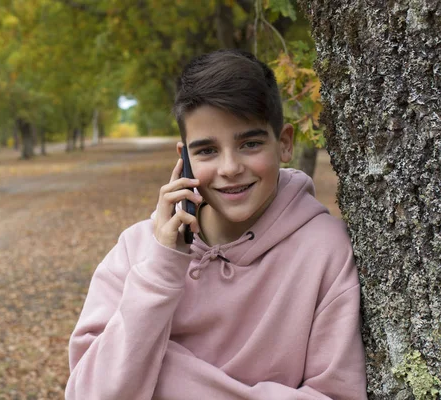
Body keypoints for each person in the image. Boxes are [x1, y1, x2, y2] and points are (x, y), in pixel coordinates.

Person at [66, 49, 367, 399]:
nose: (229, 168)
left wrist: (165, 376)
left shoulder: (326, 250)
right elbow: (89, 393)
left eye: (250, 143)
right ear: (185, 158)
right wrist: (162, 269)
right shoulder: (137, 250)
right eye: (207, 150)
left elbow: (336, 394)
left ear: (284, 143)